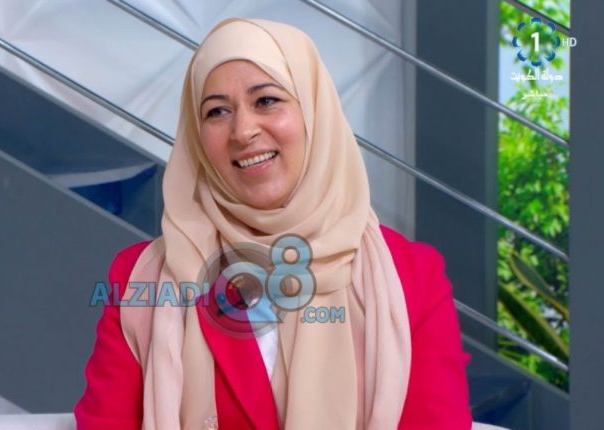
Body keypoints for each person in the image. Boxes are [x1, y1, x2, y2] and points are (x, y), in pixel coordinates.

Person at [75, 18, 472, 430]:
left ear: (314, 112)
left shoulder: (411, 277)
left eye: (266, 101)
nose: (243, 131)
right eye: (217, 111)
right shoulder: (143, 277)